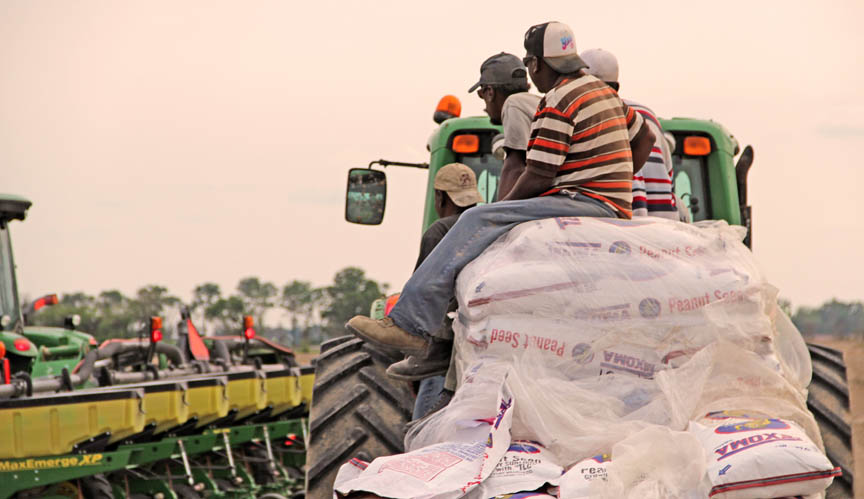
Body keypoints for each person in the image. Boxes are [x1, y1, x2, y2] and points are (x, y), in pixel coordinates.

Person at [346, 21, 655, 359]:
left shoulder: (558, 98)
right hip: (605, 202)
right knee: (488, 216)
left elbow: (537, 174)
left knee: (477, 219)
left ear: (535, 64)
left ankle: (411, 324)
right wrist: (617, 182)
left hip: (583, 201)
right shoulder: (603, 92)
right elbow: (646, 138)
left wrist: (496, 213)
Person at [389, 163, 483, 419]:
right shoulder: (490, 228)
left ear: (439, 197)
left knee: (425, 431)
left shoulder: (439, 231)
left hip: (443, 353)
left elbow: (423, 299)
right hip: (482, 349)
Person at [580, 48, 678, 220]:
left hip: (622, 230)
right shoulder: (647, 116)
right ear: (617, 86)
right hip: (662, 231)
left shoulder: (586, 116)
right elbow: (669, 175)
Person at [469, 52, 541, 199]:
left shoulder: (512, 104)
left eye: (481, 94)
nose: (485, 106)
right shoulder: (539, 104)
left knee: (471, 217)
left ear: (489, 92)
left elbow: (515, 166)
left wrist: (498, 213)